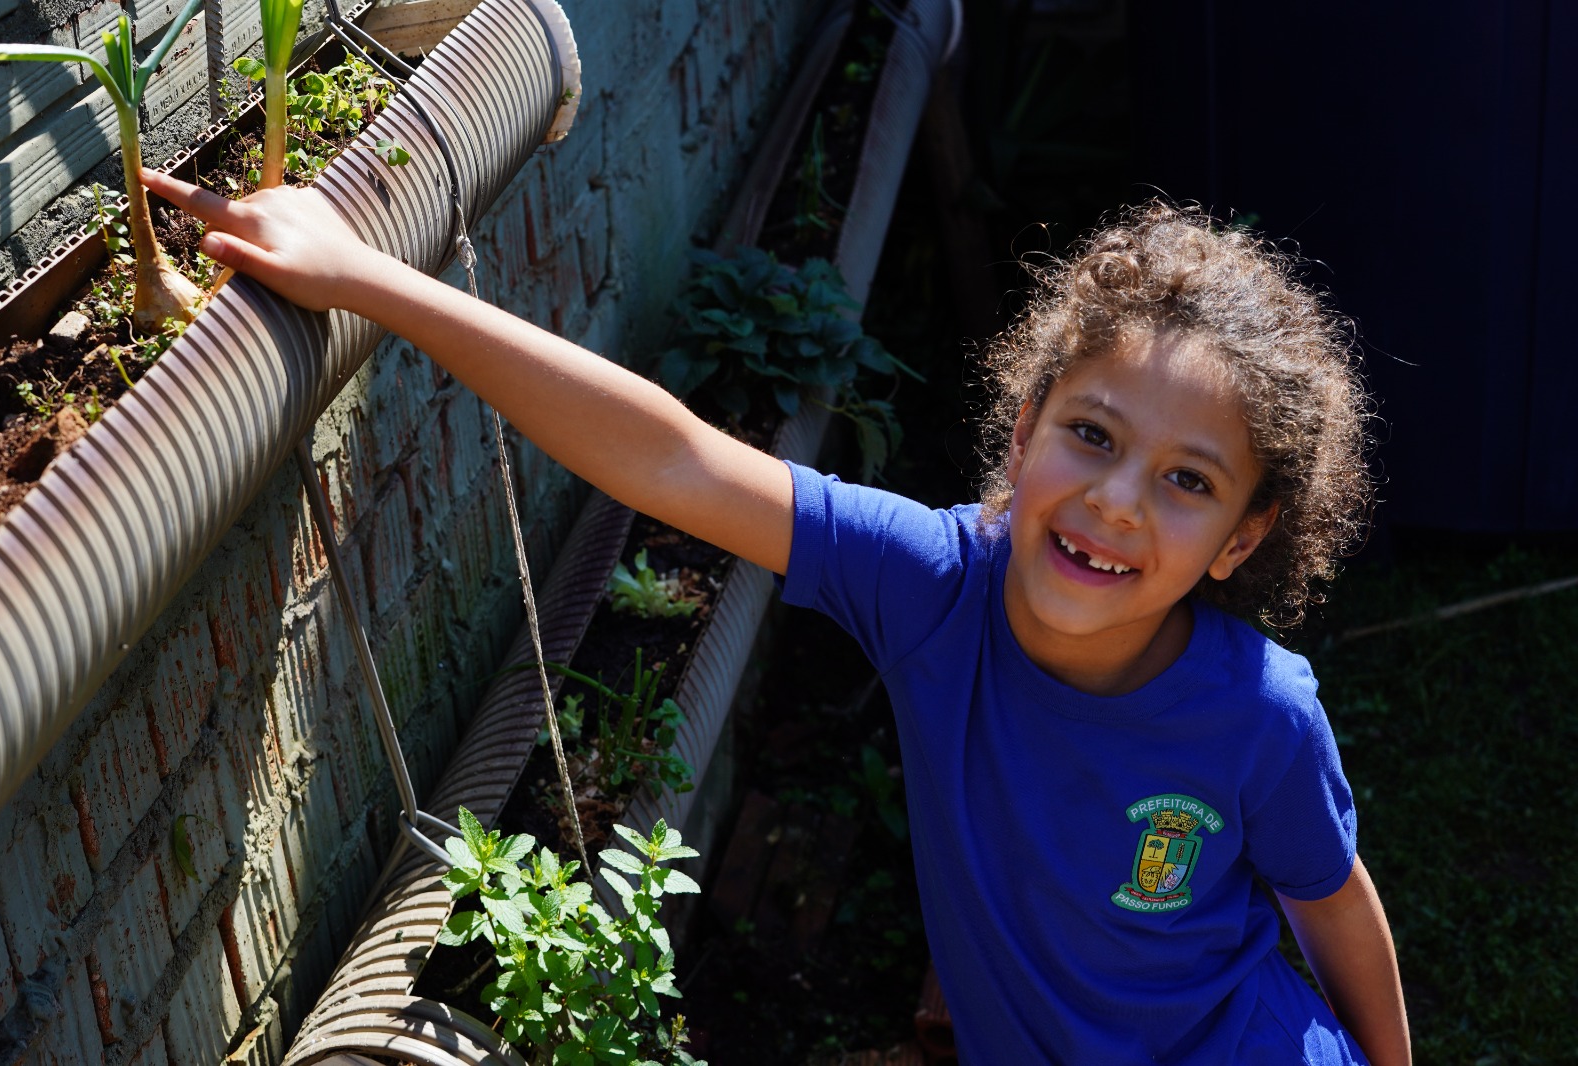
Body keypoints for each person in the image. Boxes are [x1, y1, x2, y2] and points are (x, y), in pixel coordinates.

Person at [142, 167, 1410, 1065]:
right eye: (1090, 434)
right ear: (1022, 438)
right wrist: (367, 277)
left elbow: (1330, 903)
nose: (1119, 503)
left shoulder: (1259, 714)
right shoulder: (932, 585)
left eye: (1188, 482)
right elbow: (678, 460)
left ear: (1242, 539)